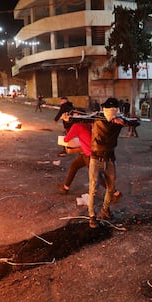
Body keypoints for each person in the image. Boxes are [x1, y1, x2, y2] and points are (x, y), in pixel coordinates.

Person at [56, 112, 123, 202]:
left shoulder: (77, 126)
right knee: (74, 166)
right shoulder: (88, 123)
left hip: (89, 154)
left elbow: (66, 139)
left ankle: (116, 193)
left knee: (98, 178)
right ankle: (65, 187)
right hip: (90, 151)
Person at [88, 97, 128, 228]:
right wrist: (68, 117)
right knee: (93, 188)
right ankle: (92, 215)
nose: (111, 111)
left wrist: (123, 121)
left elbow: (135, 122)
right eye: (109, 109)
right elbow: (82, 118)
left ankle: (105, 209)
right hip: (96, 158)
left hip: (110, 159)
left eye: (114, 109)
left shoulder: (119, 121)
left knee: (111, 188)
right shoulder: (97, 118)